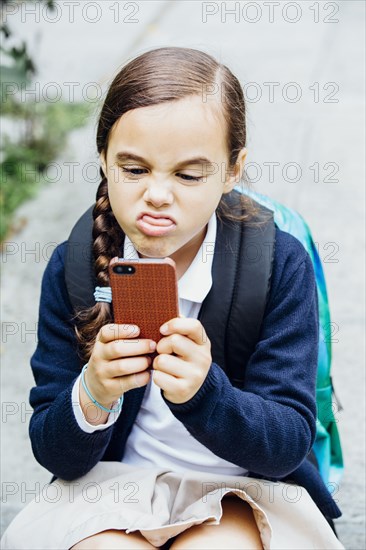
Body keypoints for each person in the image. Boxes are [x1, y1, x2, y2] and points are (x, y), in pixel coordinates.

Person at [1, 46, 344, 550]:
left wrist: (207, 393)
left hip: (245, 492)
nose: (157, 194)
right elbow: (55, 453)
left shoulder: (275, 264)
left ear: (232, 169)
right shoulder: (74, 265)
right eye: (134, 169)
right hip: (112, 488)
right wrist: (93, 393)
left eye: (187, 174)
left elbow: (287, 444)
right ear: (103, 159)